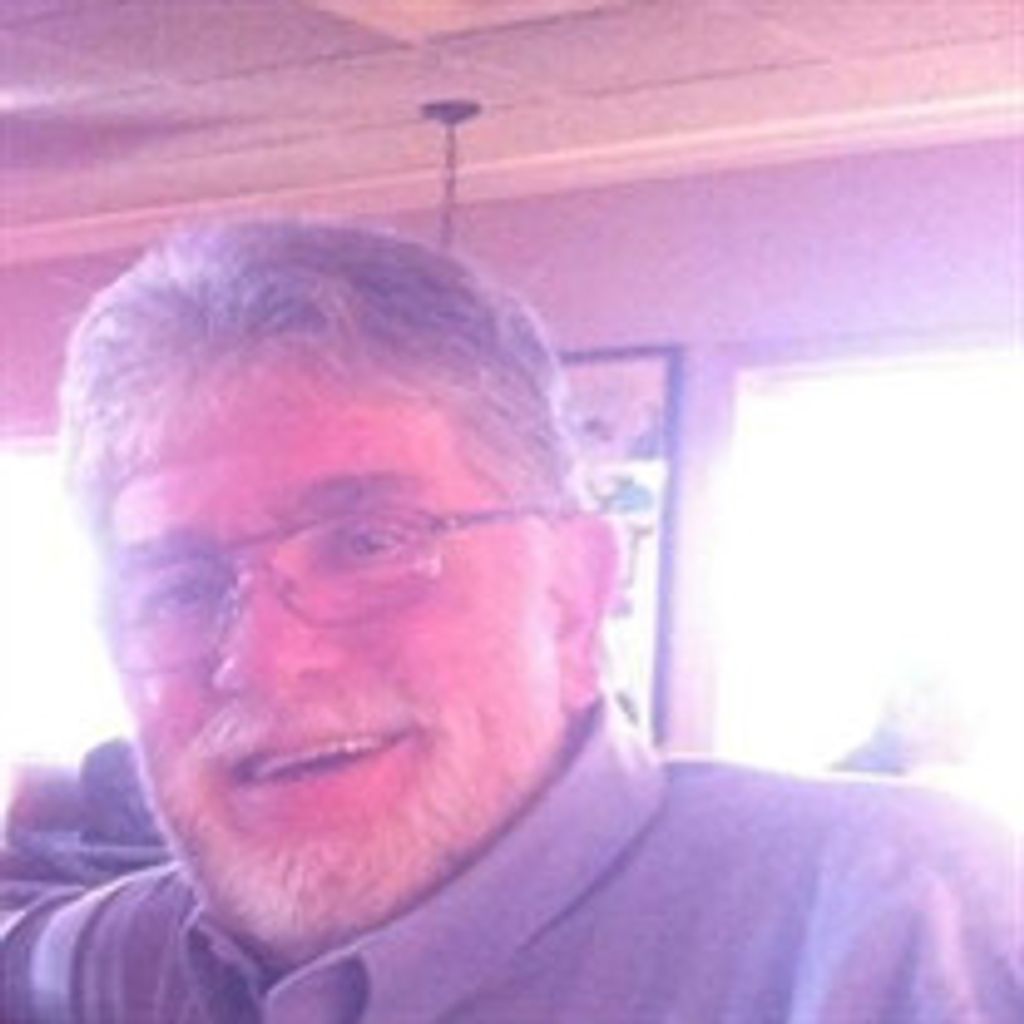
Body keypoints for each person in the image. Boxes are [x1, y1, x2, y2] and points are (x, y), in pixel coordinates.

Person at [2, 221, 1021, 1023]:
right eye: (178, 588)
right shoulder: (126, 964)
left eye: (369, 543)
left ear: (574, 595)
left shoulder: (890, 933)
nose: (268, 658)